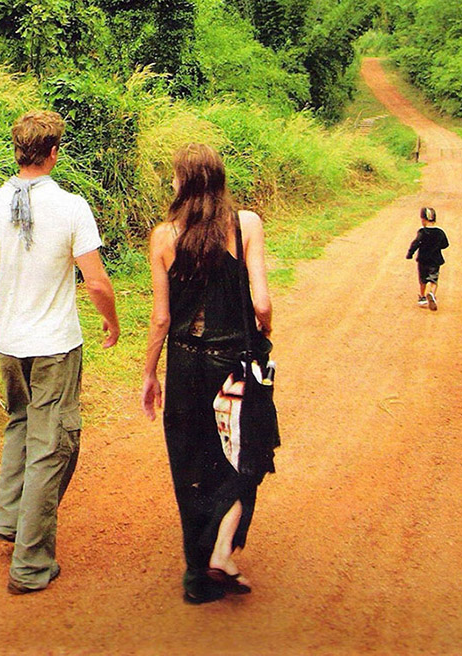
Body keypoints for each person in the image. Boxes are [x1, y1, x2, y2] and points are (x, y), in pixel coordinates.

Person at [0, 109, 120, 595]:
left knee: (21, 426)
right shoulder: (72, 206)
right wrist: (111, 320)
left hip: (10, 344)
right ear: (53, 153)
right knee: (54, 446)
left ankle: (10, 519)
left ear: (17, 150)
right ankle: (30, 564)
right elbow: (95, 280)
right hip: (55, 345)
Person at [141, 143, 277, 604]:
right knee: (246, 455)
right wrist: (265, 330)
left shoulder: (163, 237)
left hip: (182, 363)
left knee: (190, 464)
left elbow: (161, 319)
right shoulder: (246, 225)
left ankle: (197, 578)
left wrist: (149, 373)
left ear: (185, 183)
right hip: (233, 365)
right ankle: (222, 549)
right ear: (217, 181)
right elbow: (261, 303)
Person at [405, 205, 450, 311]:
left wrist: (410, 254)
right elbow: (445, 244)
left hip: (423, 260)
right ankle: (432, 294)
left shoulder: (422, 232)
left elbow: (415, 243)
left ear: (423, 219)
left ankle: (422, 296)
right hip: (435, 260)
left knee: (423, 280)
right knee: (434, 280)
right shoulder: (440, 232)